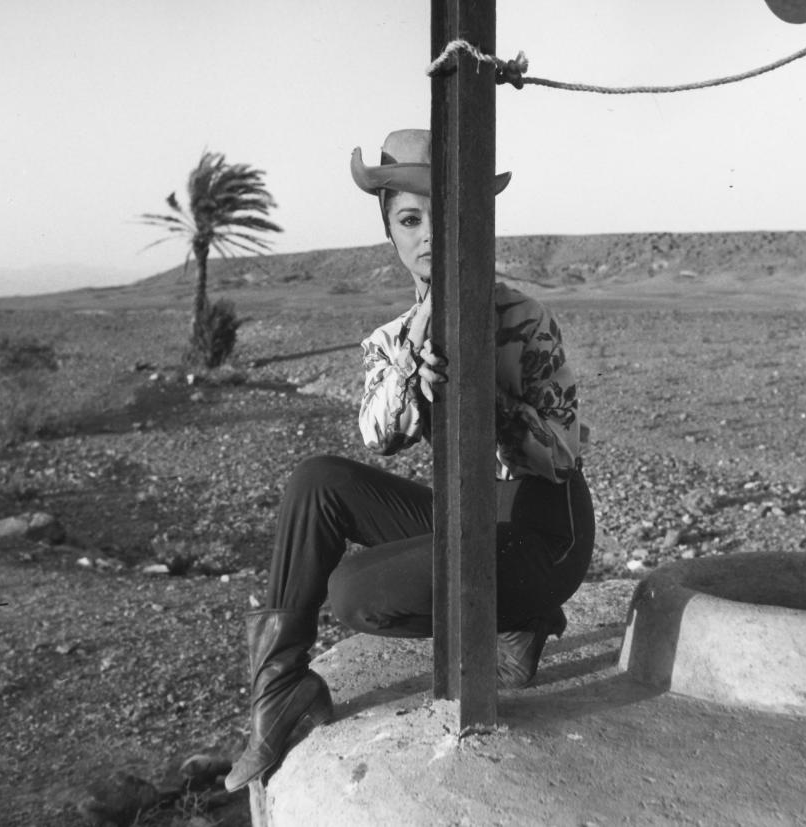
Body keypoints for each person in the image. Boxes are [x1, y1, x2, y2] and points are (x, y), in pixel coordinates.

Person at [225, 129, 595, 791]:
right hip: (468, 516)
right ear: (390, 231)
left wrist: (484, 391)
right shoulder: (392, 339)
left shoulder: (524, 317)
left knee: (355, 591)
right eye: (410, 219)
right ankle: (280, 689)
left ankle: (521, 616)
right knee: (317, 481)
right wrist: (409, 377)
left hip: (542, 531)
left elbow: (561, 452)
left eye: (445, 218)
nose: (429, 235)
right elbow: (377, 435)